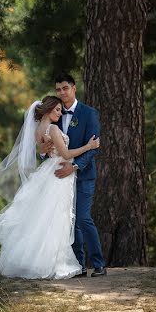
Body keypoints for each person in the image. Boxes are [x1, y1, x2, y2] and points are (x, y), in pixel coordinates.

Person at [0, 96, 100, 279]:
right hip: (60, 172)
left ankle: (39, 260)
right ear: (48, 110)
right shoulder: (53, 128)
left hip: (49, 170)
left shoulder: (38, 130)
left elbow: (44, 151)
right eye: (57, 109)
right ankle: (54, 263)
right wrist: (88, 146)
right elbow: (65, 153)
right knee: (57, 218)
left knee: (46, 217)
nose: (60, 112)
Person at [51, 73, 106, 277]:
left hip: (83, 175)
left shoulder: (89, 113)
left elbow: (93, 148)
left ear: (74, 88)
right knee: (69, 221)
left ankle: (99, 263)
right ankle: (79, 265)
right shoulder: (54, 114)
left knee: (83, 218)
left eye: (65, 88)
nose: (62, 93)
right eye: (58, 89)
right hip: (60, 178)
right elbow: (48, 143)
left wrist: (74, 167)